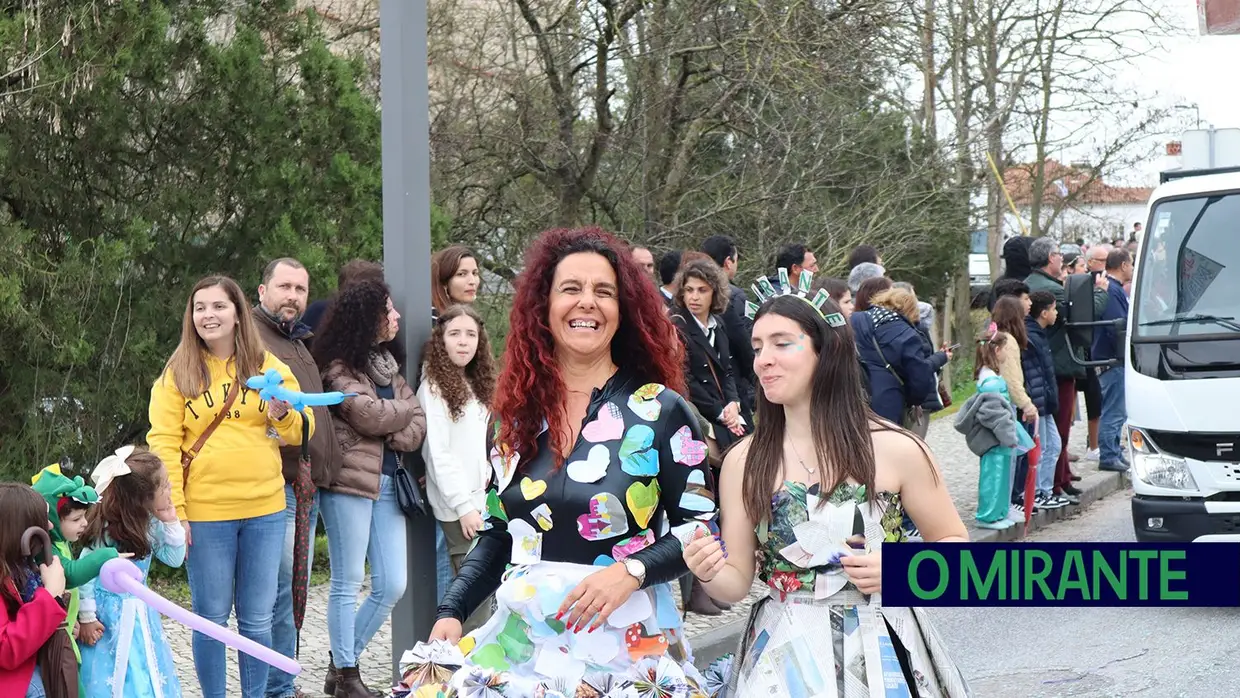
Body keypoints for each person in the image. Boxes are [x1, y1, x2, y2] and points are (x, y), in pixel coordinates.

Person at [429, 226, 719, 695]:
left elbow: (700, 528)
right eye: (571, 289)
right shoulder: (512, 420)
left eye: (603, 292)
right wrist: (450, 612)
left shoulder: (662, 410)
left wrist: (632, 571)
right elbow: (498, 532)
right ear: (543, 308)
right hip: (523, 652)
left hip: (626, 651)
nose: (587, 302)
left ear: (623, 313)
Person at [681, 288, 971, 697]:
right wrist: (707, 569)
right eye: (758, 346)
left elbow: (955, 546)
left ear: (827, 350)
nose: (763, 359)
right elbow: (736, 584)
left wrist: (906, 570)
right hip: (785, 658)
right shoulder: (743, 461)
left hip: (884, 644)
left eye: (782, 343)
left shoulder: (898, 449)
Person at [147, 275, 312, 698]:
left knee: (257, 619)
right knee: (210, 618)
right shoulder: (177, 372)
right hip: (206, 514)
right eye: (199, 307)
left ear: (238, 313)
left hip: (265, 509)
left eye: (218, 306)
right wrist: (175, 513)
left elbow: (300, 428)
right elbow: (163, 445)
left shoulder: (269, 366)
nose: (208, 315)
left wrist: (281, 414)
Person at [315, 279, 426, 698]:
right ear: (368, 318)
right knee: (347, 580)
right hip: (348, 483)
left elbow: (416, 422)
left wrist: (391, 427)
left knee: (392, 584)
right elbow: (367, 415)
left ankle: (341, 664)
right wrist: (394, 419)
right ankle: (347, 676)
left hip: (387, 483)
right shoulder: (337, 368)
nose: (396, 317)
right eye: (389, 311)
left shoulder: (387, 367)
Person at [252, 257, 341, 698]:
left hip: (306, 487)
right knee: (282, 597)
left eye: (300, 289)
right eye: (284, 286)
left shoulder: (297, 341)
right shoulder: (253, 338)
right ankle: (276, 688)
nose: (292, 296)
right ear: (262, 290)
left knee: (294, 594)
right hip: (281, 485)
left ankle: (280, 683)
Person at [76, 447, 186, 698]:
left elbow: (174, 559)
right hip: (108, 616)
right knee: (111, 668)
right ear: (143, 496)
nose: (170, 490)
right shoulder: (107, 530)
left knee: (143, 661)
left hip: (140, 612)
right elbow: (86, 573)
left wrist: (171, 521)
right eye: (164, 486)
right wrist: (87, 617)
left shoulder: (151, 523)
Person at [418, 303, 497, 634]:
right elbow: (439, 455)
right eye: (454, 334)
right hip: (458, 509)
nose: (463, 342)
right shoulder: (434, 388)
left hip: (481, 501)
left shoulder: (473, 384)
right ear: (441, 340)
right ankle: (461, 677)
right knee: (473, 602)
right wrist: (464, 507)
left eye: (471, 334)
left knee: (485, 595)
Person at [29, 465, 117, 682]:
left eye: (84, 516)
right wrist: (107, 554)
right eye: (76, 519)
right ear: (53, 520)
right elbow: (70, 574)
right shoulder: (45, 547)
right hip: (53, 643)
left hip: (65, 633)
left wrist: (74, 619)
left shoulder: (60, 542)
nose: (85, 523)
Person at [670, 258, 751, 453]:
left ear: (715, 292)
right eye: (689, 290)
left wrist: (734, 403)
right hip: (699, 416)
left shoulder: (719, 324)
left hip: (726, 409)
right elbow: (685, 379)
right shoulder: (676, 327)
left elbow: (727, 370)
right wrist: (721, 413)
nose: (694, 297)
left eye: (702, 290)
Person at [0, 483, 70, 698]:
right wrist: (49, 597)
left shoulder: (15, 570)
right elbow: (5, 648)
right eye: (42, 520)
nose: (50, 526)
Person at [954, 325, 1025, 530]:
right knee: (993, 478)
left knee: (1000, 478)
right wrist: (1009, 436)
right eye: (1006, 350)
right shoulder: (992, 382)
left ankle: (999, 512)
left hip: (998, 440)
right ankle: (988, 515)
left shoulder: (990, 377)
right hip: (995, 440)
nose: (1007, 354)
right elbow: (996, 415)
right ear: (996, 350)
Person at [1091, 249, 1133, 473]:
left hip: (1111, 357)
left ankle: (1115, 451)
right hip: (1112, 358)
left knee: (1118, 408)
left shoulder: (1112, 288)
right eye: (1132, 264)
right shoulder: (1112, 290)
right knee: (1114, 409)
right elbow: (1117, 325)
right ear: (1124, 265)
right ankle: (1108, 454)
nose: (1133, 269)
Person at [430, 245, 482, 319]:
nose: (472, 281)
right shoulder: (431, 319)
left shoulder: (469, 318)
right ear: (444, 282)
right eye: (461, 274)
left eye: (475, 273)